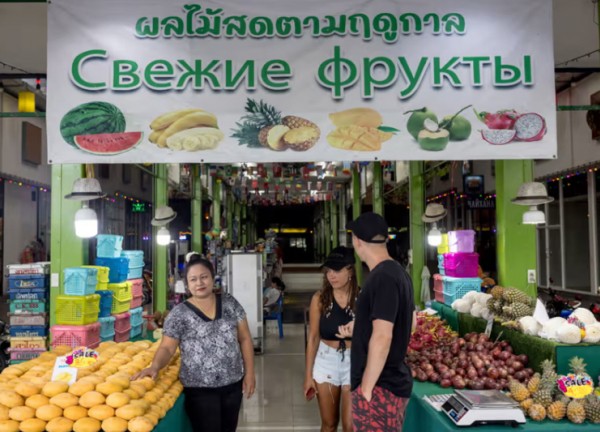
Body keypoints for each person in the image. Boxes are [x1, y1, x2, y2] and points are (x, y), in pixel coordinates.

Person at [132, 253, 256, 432]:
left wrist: (250, 374)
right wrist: (155, 366)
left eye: (204, 277)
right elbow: (167, 347)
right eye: (193, 279)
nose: (200, 283)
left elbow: (244, 338)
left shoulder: (230, 303)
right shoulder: (179, 314)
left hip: (232, 385)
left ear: (213, 278)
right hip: (199, 390)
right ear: (187, 285)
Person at [338, 212, 415, 432]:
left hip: (380, 387)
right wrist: (362, 325)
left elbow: (383, 336)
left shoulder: (382, 278)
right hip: (389, 383)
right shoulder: (398, 272)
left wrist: (367, 389)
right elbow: (411, 323)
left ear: (357, 241)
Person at [304, 246, 359, 432]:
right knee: (329, 424)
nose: (331, 275)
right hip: (326, 361)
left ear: (350, 270)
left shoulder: (363, 297)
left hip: (355, 361)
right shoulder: (320, 299)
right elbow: (312, 338)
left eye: (337, 270)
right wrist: (308, 376)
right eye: (329, 271)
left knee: (350, 426)